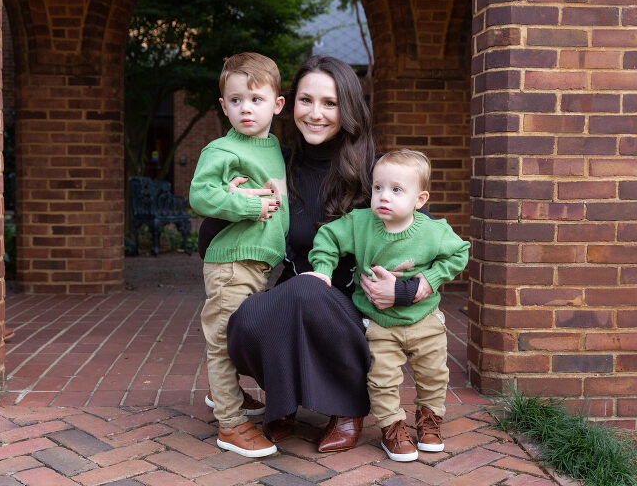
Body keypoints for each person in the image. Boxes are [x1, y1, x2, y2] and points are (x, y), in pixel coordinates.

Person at [214, 56, 430, 453]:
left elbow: (428, 236)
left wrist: (411, 289)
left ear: (347, 108)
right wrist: (234, 202)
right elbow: (210, 238)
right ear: (288, 104)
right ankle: (285, 398)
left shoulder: (374, 169)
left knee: (308, 292)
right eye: (306, 100)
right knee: (243, 318)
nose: (316, 114)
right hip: (297, 293)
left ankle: (348, 408)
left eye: (329, 103)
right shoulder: (276, 164)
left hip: (357, 305)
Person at [306, 149, 470, 461]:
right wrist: (323, 270)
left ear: (419, 200)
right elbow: (327, 237)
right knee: (381, 379)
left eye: (397, 190)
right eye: (378, 187)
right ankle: (392, 428)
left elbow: (459, 252)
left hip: (424, 319)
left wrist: (429, 280)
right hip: (379, 322)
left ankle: (430, 421)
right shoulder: (360, 223)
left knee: (434, 374)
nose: (384, 196)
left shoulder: (433, 231)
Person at [188, 52, 288, 458]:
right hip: (231, 261)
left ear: (277, 104)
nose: (245, 108)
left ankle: (223, 391)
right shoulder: (222, 149)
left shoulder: (274, 145)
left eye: (256, 99)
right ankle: (230, 424)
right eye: (235, 100)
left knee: (243, 334)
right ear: (223, 105)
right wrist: (246, 206)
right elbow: (200, 194)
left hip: (259, 262)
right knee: (223, 337)